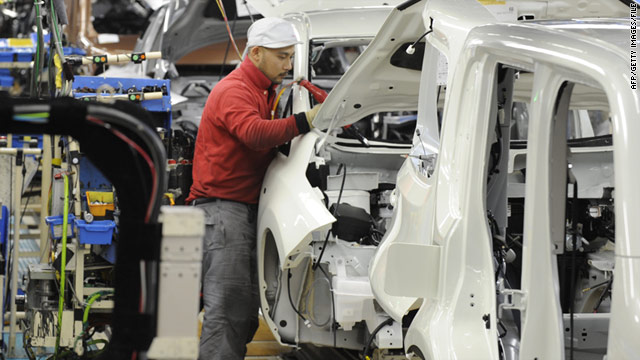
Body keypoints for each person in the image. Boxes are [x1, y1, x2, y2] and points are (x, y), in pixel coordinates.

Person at [187, 17, 321, 360]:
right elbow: (255, 133)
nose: (289, 65)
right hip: (222, 212)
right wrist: (307, 120)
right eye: (282, 57)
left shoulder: (263, 91)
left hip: (242, 211)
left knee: (244, 314)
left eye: (292, 57)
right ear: (256, 53)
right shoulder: (234, 90)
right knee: (229, 310)